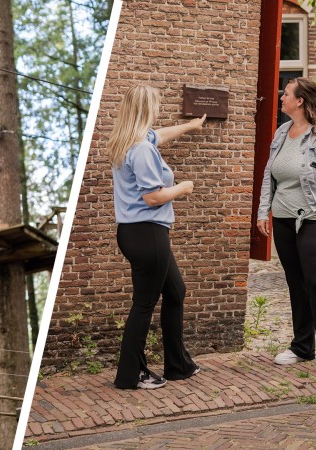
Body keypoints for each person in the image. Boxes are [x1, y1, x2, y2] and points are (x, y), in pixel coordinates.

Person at [256, 78, 316, 378]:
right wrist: (264, 211)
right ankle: (302, 346)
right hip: (284, 214)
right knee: (295, 280)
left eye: (285, 94)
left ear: (299, 101)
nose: (280, 97)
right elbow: (269, 174)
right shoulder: (282, 132)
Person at [109, 85, 205, 390]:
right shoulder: (141, 150)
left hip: (135, 232)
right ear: (145, 110)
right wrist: (184, 187)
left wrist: (190, 126)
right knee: (143, 304)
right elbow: (153, 197)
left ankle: (178, 364)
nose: (159, 110)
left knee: (175, 291)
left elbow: (160, 134)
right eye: (156, 105)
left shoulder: (130, 142)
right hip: (148, 233)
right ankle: (130, 375)